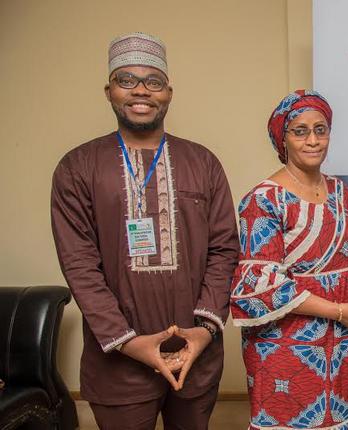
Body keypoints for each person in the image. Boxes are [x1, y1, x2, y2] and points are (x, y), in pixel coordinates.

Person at [51, 32, 239, 429]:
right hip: (118, 363)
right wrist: (131, 342)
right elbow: (79, 263)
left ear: (168, 92)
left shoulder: (202, 162)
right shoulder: (78, 167)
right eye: (126, 80)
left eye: (153, 81)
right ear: (109, 91)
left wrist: (203, 332)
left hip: (195, 356)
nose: (141, 91)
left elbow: (224, 250)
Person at [230, 90, 348, 430]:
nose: (313, 140)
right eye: (300, 131)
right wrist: (337, 311)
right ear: (283, 139)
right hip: (287, 349)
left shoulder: (341, 192)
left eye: (321, 130)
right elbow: (263, 288)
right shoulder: (262, 200)